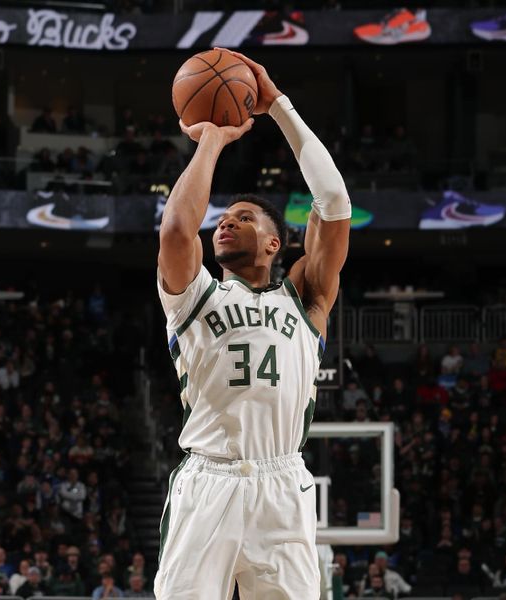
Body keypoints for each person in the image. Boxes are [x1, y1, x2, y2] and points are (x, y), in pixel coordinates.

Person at [155, 49, 351, 599]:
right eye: (221, 218)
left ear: (274, 242)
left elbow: (334, 202)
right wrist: (212, 139)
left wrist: (279, 108)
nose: (225, 223)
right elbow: (175, 229)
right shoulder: (196, 296)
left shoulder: (307, 297)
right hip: (208, 479)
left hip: (283, 482)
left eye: (243, 217)